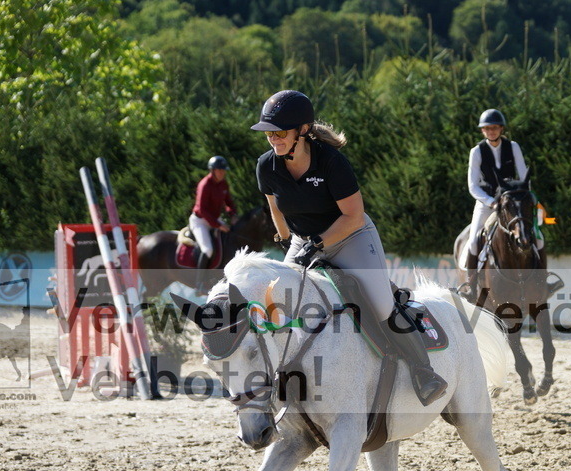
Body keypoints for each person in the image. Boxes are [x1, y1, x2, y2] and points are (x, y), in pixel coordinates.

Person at [251, 89, 447, 406]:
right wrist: (288, 240)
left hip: (350, 237)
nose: (273, 139)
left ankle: (423, 371)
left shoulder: (331, 162)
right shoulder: (266, 165)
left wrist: (317, 244)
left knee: (381, 306)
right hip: (304, 241)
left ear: (303, 130)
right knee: (278, 305)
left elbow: (353, 216)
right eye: (268, 133)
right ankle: (276, 378)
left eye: (280, 132)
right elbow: (275, 207)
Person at [462, 108, 540, 301]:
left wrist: (522, 198)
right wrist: (491, 202)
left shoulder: (513, 147)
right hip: (486, 203)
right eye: (487, 128)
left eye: (495, 128)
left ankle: (543, 281)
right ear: (483, 131)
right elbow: (472, 186)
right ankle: (471, 286)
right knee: (473, 241)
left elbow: (523, 177)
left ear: (501, 129)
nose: (491, 131)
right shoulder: (476, 151)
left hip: (512, 203)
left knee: (538, 238)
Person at [189, 155, 237, 293]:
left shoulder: (223, 184)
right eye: (219, 170)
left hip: (214, 220)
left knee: (231, 237)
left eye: (223, 170)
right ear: (212, 170)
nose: (222, 173)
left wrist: (233, 215)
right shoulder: (204, 184)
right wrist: (218, 225)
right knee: (208, 250)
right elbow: (202, 210)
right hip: (200, 221)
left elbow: (229, 202)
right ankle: (199, 285)